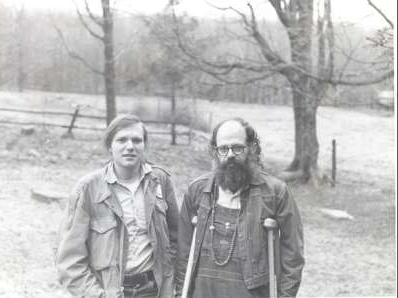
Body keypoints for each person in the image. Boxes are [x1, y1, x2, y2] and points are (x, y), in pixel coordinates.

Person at [175, 118, 304, 298]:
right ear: (215, 152)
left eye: (237, 148)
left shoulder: (275, 193)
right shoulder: (197, 192)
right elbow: (183, 255)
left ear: (251, 149)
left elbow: (293, 258)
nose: (230, 155)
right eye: (223, 149)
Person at [56, 114, 179, 298]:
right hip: (110, 291)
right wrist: (97, 295)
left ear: (144, 145)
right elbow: (69, 261)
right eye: (122, 140)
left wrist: (173, 286)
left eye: (136, 140)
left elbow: (177, 240)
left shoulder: (160, 181)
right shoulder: (88, 189)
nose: (130, 146)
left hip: (155, 290)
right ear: (110, 146)